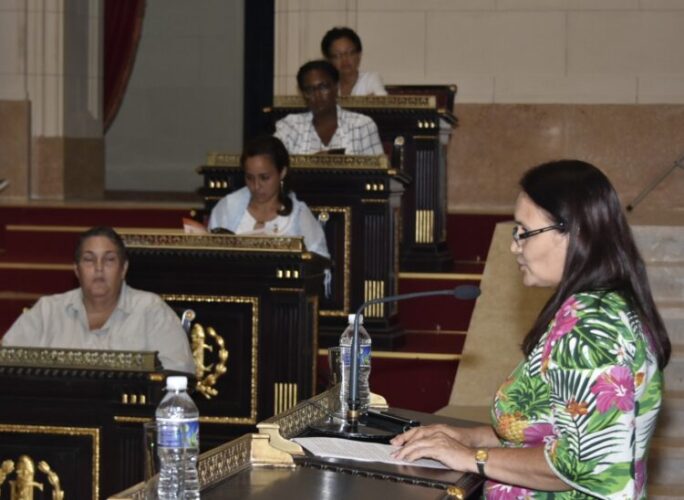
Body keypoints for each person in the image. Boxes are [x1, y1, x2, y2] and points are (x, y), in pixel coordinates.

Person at [391, 160, 670, 498]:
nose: (514, 246)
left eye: (524, 231)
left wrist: (470, 457)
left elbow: (583, 465)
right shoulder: (597, 308)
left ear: (574, 232)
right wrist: (470, 437)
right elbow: (549, 430)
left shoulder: (592, 328)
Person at [1, 226, 195, 374]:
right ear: (77, 270)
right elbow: (5, 365)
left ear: (123, 269)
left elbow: (179, 376)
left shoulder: (152, 311)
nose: (99, 268)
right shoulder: (47, 312)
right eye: (89, 259)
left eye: (109, 259)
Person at [208, 135, 330, 259]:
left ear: (282, 172)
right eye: (250, 178)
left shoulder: (298, 215)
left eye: (264, 178)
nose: (256, 186)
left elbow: (319, 261)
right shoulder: (227, 208)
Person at [274, 60, 384, 155]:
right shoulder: (289, 126)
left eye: (323, 87)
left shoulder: (362, 125)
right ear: (303, 94)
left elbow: (377, 169)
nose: (317, 95)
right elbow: (274, 165)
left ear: (336, 87)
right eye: (310, 90)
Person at [321, 26, 387, 97]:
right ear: (328, 60)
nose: (345, 59)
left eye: (350, 53)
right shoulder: (327, 86)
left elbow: (382, 101)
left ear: (359, 55)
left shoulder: (370, 79)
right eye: (337, 55)